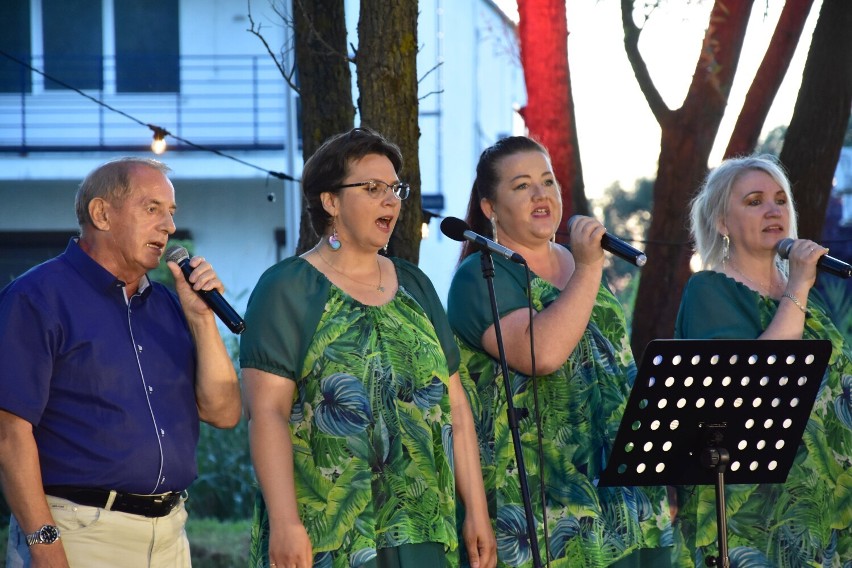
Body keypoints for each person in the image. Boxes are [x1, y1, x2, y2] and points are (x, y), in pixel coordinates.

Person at [239, 127, 495, 568]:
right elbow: (267, 414)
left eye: (395, 188)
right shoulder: (287, 288)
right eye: (372, 188)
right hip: (330, 534)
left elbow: (456, 408)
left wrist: (475, 510)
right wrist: (284, 522)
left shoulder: (415, 284)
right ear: (330, 201)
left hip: (425, 527)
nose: (391, 200)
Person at [0, 157, 242, 568]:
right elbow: (8, 433)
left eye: (171, 213)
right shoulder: (36, 298)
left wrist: (202, 319)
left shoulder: (168, 305)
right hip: (80, 533)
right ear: (101, 214)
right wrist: (44, 544)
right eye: (152, 209)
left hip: (170, 534)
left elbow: (224, 412)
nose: (168, 226)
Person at [446, 136, 673, 568]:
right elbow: (541, 354)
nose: (541, 194)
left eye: (548, 181)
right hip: (543, 507)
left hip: (621, 495)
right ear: (490, 208)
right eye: (522, 185)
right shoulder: (481, 276)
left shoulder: (578, 262)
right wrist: (589, 268)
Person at [673, 154, 852, 566]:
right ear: (722, 222)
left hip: (824, 509)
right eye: (754, 201)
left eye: (780, 200)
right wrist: (800, 285)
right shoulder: (710, 290)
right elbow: (761, 378)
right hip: (753, 516)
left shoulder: (804, 301)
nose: (773, 210)